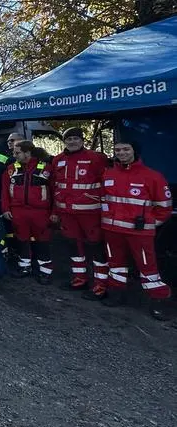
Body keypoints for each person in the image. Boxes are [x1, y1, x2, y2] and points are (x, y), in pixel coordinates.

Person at [97, 140, 172, 319]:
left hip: (139, 233)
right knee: (116, 265)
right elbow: (103, 200)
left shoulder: (152, 176)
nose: (121, 153)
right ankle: (117, 294)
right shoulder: (108, 174)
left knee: (148, 268)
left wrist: (149, 223)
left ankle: (159, 301)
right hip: (112, 230)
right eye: (117, 150)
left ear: (134, 151)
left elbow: (164, 207)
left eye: (125, 149)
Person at [50, 127, 109, 294]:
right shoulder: (58, 160)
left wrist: (106, 210)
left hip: (90, 213)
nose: (72, 142)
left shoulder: (96, 158)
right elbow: (55, 187)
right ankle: (79, 279)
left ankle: (101, 284)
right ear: (64, 142)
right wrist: (55, 211)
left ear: (82, 140)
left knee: (96, 248)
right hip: (66, 213)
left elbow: (106, 184)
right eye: (68, 139)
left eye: (76, 138)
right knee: (73, 247)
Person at [1, 141, 53, 282]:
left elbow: (54, 192)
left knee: (42, 241)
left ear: (28, 153)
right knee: (21, 239)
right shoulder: (11, 169)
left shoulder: (46, 169)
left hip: (40, 211)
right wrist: (5, 209)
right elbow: (4, 192)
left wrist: (54, 212)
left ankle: (45, 270)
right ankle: (24, 266)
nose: (14, 155)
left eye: (17, 153)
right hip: (18, 211)